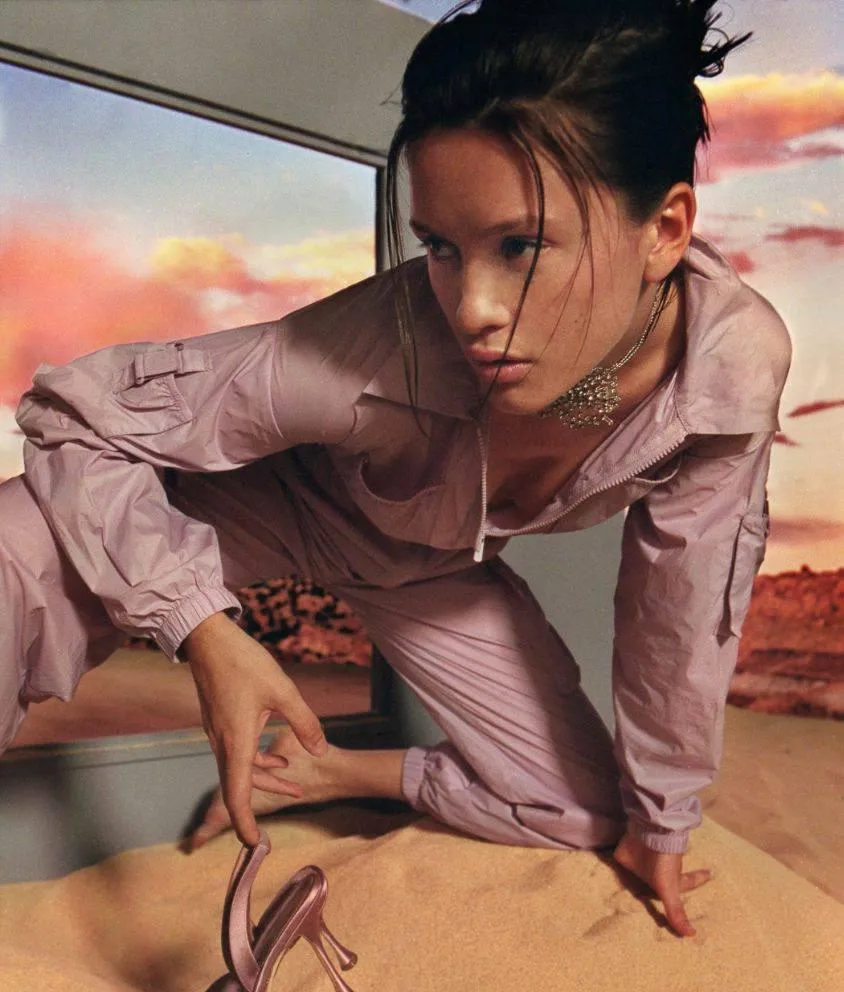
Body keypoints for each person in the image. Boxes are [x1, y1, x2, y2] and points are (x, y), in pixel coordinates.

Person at [2, 0, 790, 937]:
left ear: (664, 228)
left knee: (584, 813)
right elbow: (73, 415)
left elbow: (682, 604)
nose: (472, 308)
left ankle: (324, 772)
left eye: (519, 246)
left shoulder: (730, 373)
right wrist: (202, 629)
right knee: (13, 547)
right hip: (266, 501)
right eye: (443, 250)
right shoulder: (376, 345)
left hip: (429, 571)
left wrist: (664, 822)